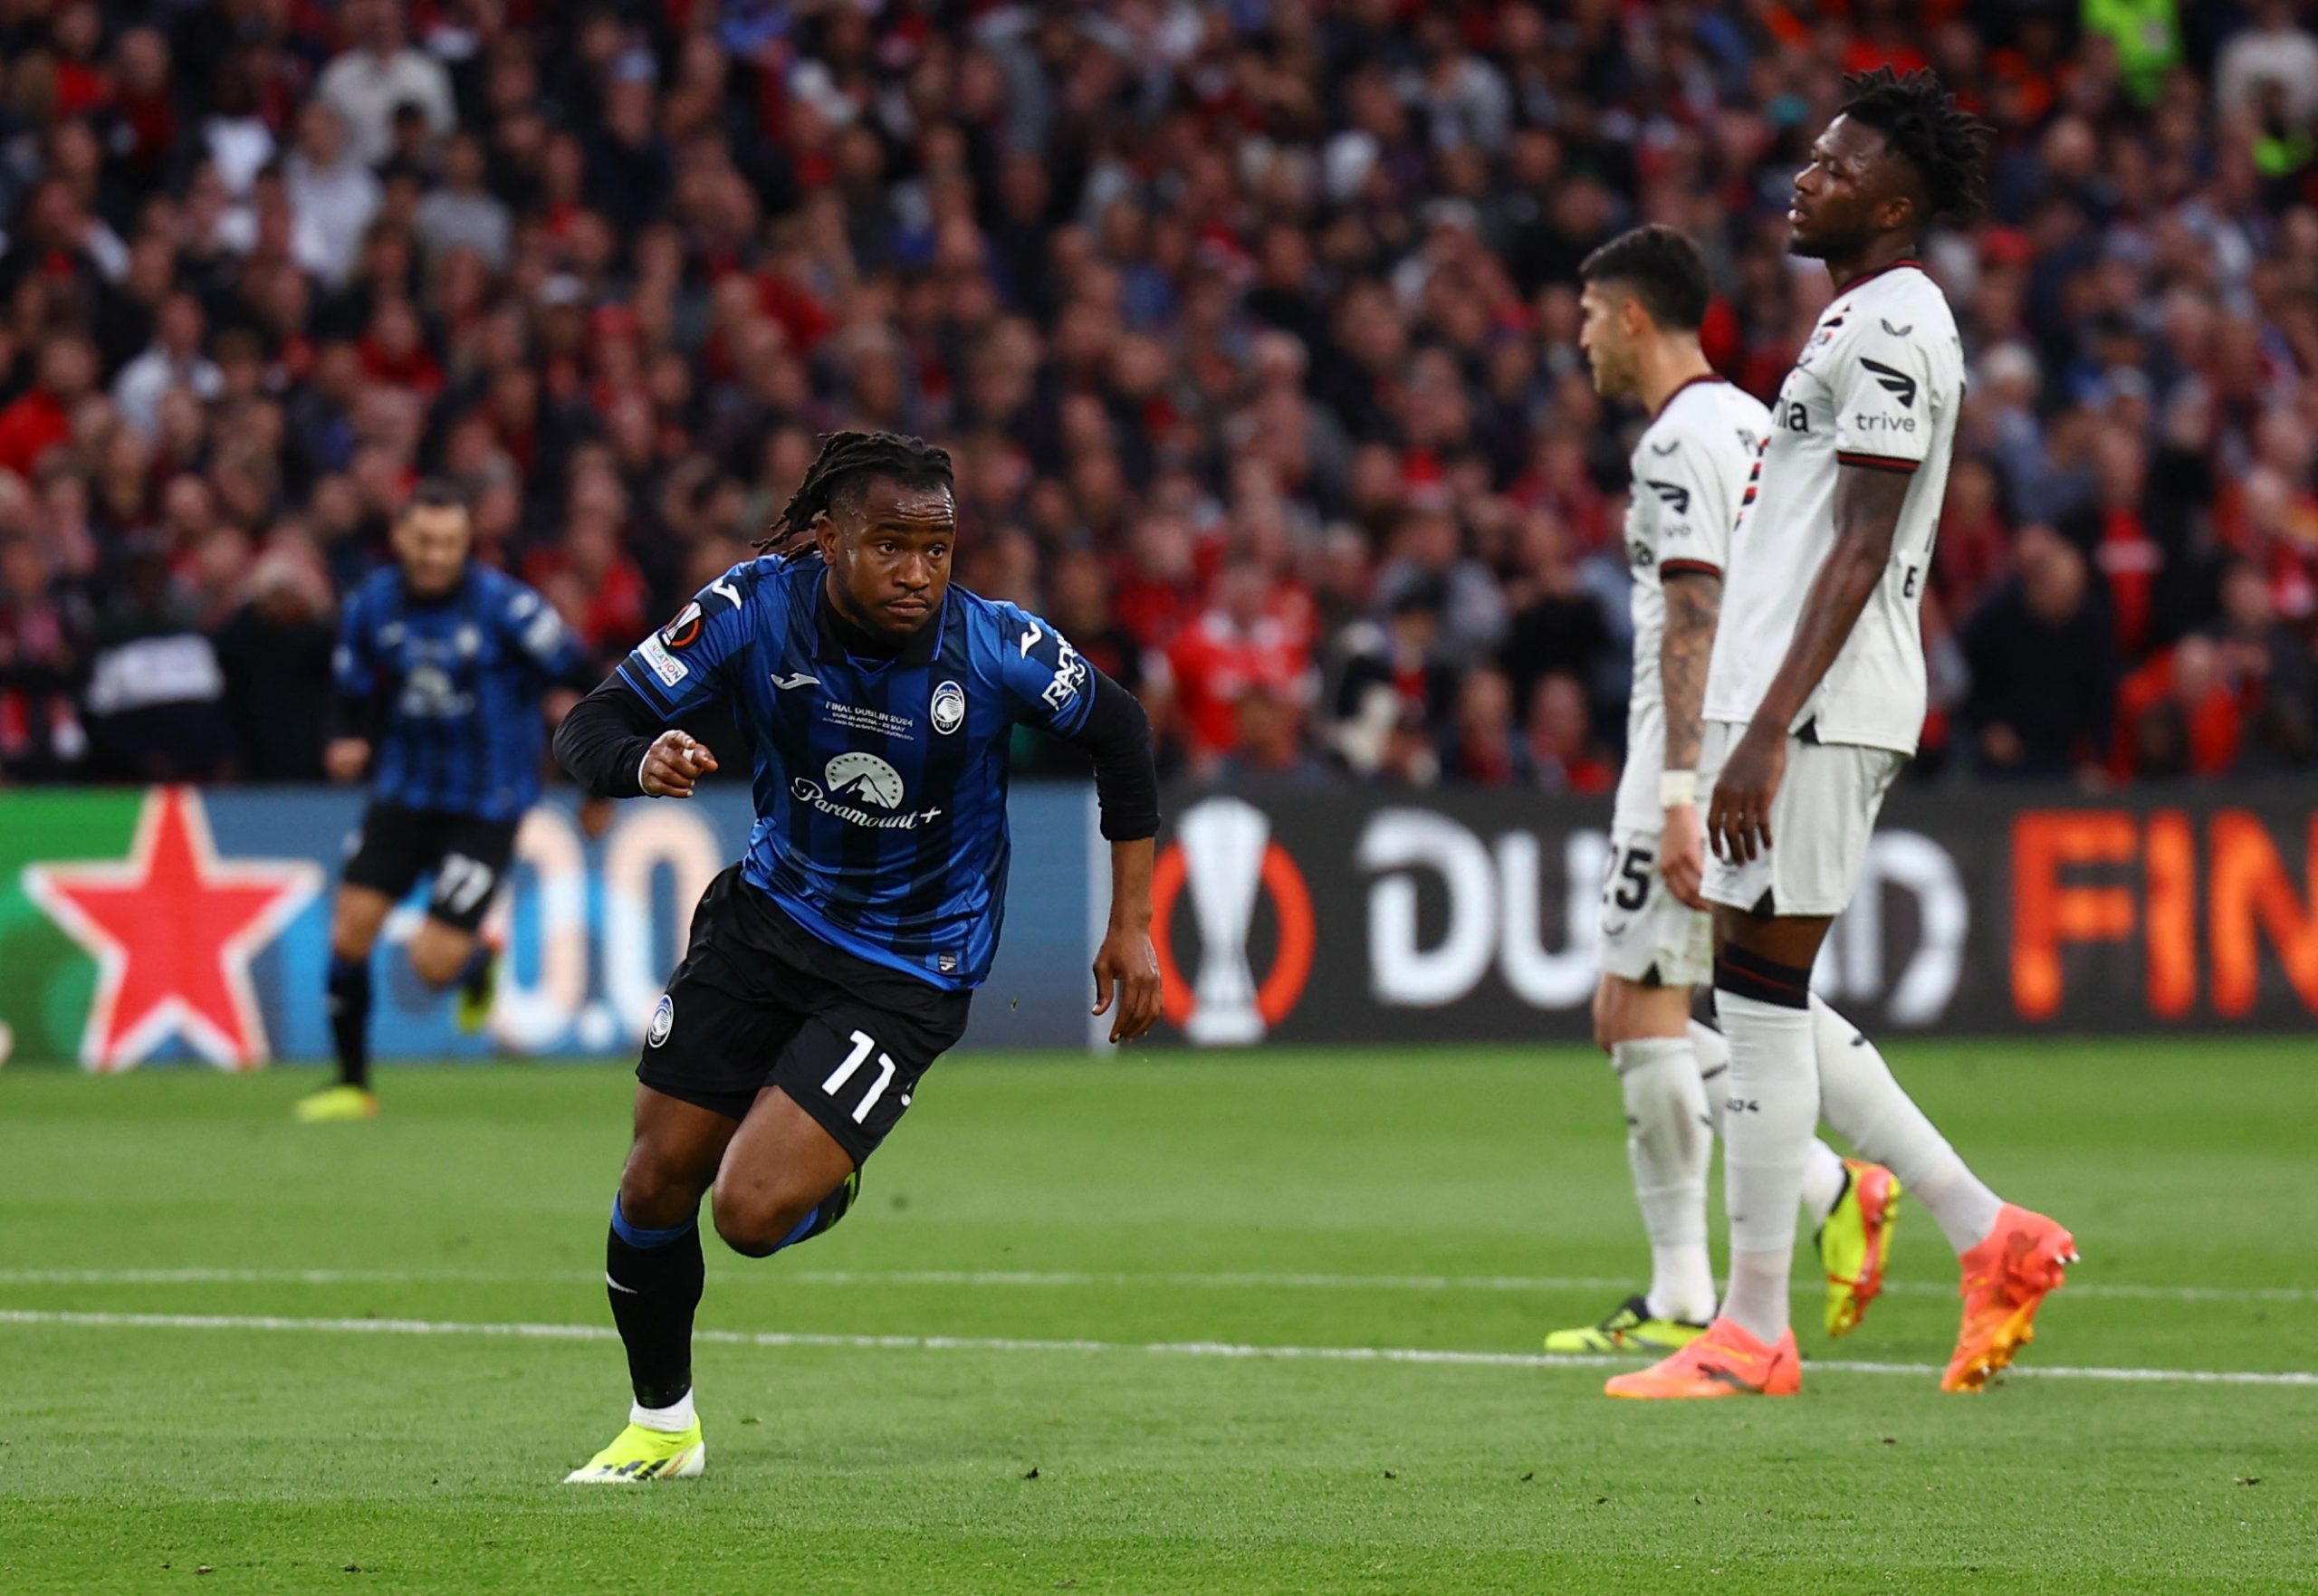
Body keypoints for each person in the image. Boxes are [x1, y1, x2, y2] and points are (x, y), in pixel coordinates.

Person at [551, 431, 1163, 1484]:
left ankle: (820, 1181)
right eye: (891, 545)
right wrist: (638, 755)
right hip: (764, 919)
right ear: (829, 541)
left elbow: (1123, 730)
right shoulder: (751, 608)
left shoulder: (995, 646)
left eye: (938, 547)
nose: (919, 571)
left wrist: (1132, 922)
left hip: (908, 966)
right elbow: (591, 720)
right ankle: (662, 1426)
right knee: (653, 1182)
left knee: (749, 1213)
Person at [1610, 72, 2075, 1401]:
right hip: (1784, 702)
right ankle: (1987, 1233)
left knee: (1756, 994)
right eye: (1812, 157)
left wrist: (1764, 729)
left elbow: (1863, 545)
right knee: (1758, 987)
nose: (1805, 178)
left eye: (1836, 164)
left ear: (1894, 203)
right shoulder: (1850, 318)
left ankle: (1754, 1326)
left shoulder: (1896, 324)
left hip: (1815, 707)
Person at [1543, 225, 1902, 1359]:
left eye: (1589, 315)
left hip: (1685, 757)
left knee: (1649, 1011)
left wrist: (1677, 792)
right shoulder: (1752, 420)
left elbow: (1691, 617)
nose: (1581, 338)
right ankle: (1709, 1272)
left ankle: (1793, 1212)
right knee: (1689, 1000)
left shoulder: (1673, 442)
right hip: (1741, 738)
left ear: (1633, 316)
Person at [298, 482, 592, 1123]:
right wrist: (344, 739)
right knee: (349, 931)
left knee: (431, 966)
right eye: (424, 541)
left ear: (466, 544)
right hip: (403, 793)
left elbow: (587, 675)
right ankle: (352, 1085)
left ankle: (475, 961)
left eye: (449, 543)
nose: (435, 555)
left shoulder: (508, 608)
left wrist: (600, 783)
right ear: (401, 538)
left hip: (487, 805)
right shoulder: (372, 604)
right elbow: (347, 691)